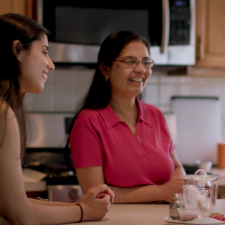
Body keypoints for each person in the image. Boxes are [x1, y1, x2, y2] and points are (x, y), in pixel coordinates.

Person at [0, 13, 114, 224]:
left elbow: (10, 204)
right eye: (44, 52)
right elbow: (19, 215)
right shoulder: (2, 113)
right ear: (17, 50)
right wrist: (84, 212)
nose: (51, 65)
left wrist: (79, 206)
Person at [67, 31, 185, 203]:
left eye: (146, 62)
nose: (141, 69)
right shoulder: (89, 122)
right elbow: (96, 193)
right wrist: (160, 193)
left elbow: (176, 167)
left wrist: (176, 188)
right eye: (130, 61)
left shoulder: (155, 115)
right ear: (105, 68)